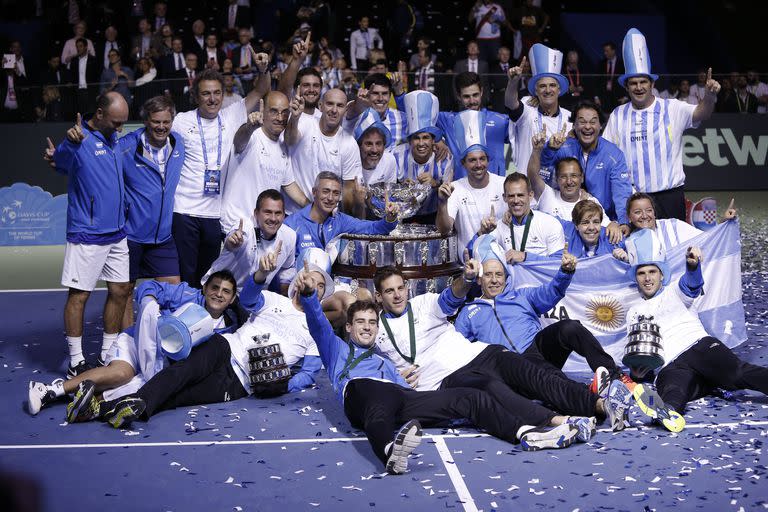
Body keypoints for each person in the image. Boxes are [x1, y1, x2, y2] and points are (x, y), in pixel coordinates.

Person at [295, 267, 591, 470]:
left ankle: (528, 432)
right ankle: (389, 451)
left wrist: (406, 379)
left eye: (372, 323)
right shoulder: (336, 350)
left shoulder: (386, 356)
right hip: (366, 394)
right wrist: (309, 296)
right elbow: (319, 324)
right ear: (348, 327)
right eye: (361, 323)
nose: (368, 328)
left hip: (405, 397)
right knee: (378, 403)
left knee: (473, 397)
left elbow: (449, 300)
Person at [372, 265, 633, 432]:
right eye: (389, 291)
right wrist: (394, 377)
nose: (397, 295)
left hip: (482, 354)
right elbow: (366, 368)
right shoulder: (375, 330)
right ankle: (558, 422)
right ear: (378, 296)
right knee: (493, 389)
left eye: (400, 288)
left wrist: (466, 278)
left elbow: (452, 295)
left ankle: (601, 405)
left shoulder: (424, 303)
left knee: (536, 375)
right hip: (447, 377)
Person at [96, 247, 328, 428]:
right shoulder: (276, 300)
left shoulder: (317, 330)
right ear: (299, 281)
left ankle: (105, 408)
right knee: (179, 374)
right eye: (312, 281)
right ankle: (132, 403)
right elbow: (248, 299)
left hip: (241, 382)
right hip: (224, 348)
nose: (315, 287)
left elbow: (308, 373)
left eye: (321, 286)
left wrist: (283, 384)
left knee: (182, 397)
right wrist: (261, 274)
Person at [27, 271, 245, 422]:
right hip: (138, 341)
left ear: (232, 297)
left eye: (226, 291)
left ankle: (88, 403)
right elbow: (148, 286)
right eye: (214, 287)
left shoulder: (228, 328)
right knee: (121, 374)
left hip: (161, 362)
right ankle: (50, 390)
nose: (219, 293)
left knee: (141, 385)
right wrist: (150, 301)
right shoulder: (186, 294)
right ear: (205, 288)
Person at [623, 229, 766, 430]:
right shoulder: (633, 312)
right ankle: (667, 413)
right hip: (669, 364)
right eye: (641, 273)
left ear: (661, 274)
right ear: (636, 278)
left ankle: (711, 381)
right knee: (674, 391)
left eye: (652, 271)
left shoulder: (674, 290)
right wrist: (638, 370)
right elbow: (641, 353)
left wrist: (692, 266)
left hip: (699, 347)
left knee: (737, 374)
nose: (647, 278)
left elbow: (691, 284)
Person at [171, 54, 271, 287]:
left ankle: (203, 322)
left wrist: (263, 69)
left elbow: (261, 89)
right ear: (196, 96)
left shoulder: (233, 114)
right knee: (185, 276)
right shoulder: (181, 121)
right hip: (184, 211)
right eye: (206, 93)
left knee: (207, 275)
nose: (212, 98)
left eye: (217, 93)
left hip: (214, 214)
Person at [50, 93, 132, 376]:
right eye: (116, 122)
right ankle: (76, 361)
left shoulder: (114, 138)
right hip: (87, 234)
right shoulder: (79, 138)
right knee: (79, 296)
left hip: (118, 233)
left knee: (121, 291)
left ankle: (107, 354)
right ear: (99, 114)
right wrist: (68, 145)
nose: (120, 128)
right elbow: (60, 162)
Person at [602, 28, 721, 221]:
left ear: (651, 84)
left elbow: (702, 113)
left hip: (670, 196)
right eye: (633, 83)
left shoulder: (671, 107)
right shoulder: (618, 115)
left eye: (643, 82)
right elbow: (606, 153)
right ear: (626, 86)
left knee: (673, 247)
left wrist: (709, 96)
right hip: (634, 198)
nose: (639, 87)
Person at [221, 91, 308, 232]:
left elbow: (289, 184)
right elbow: (239, 141)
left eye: (285, 112)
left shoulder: (282, 146)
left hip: (261, 230)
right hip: (234, 227)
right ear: (263, 110)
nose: (280, 118)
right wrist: (249, 126)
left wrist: (314, 207)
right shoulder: (252, 136)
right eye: (274, 111)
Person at [539, 101, 633, 226]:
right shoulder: (563, 148)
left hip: (605, 221)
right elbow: (543, 174)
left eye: (593, 122)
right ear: (574, 125)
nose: (587, 126)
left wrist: (623, 222)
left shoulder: (614, 154)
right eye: (582, 122)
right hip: (567, 218)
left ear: (600, 126)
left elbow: (621, 192)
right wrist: (549, 149)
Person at [436, 110, 505, 260]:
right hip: (468, 263)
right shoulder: (454, 188)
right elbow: (443, 229)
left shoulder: (503, 184)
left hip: (502, 263)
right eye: (472, 160)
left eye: (482, 159)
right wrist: (442, 203)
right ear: (463, 163)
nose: (478, 164)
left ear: (488, 160)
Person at [284, 172, 399, 260]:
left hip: (328, 284)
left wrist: (390, 217)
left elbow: (374, 228)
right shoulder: (291, 225)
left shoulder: (340, 220)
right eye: (325, 191)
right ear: (314, 192)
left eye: (335, 193)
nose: (330, 198)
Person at [284, 88, 363, 213]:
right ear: (320, 106)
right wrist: (293, 118)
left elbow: (349, 190)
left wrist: (342, 220)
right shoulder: (303, 122)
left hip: (327, 216)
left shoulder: (349, 144)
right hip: (293, 212)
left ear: (345, 110)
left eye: (340, 105)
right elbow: (289, 140)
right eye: (330, 104)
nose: (334, 110)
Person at [204, 189, 296, 292]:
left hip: (254, 296)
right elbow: (231, 241)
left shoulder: (290, 236)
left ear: (284, 215)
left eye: (278, 213)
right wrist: (232, 242)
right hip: (219, 290)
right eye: (268, 212)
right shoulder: (245, 228)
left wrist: (284, 292)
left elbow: (287, 268)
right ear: (256, 213)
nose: (273, 218)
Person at [527, 128, 615, 232]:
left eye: (573, 176)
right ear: (557, 179)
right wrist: (537, 150)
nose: (569, 181)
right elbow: (533, 176)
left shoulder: (591, 202)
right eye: (563, 177)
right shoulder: (547, 195)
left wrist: (614, 225)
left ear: (581, 178)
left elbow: (608, 226)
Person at [505, 44, 573, 177]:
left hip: (557, 189)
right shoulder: (528, 109)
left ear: (559, 90)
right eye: (542, 86)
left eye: (552, 85)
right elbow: (510, 103)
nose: (548, 90)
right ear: (536, 91)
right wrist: (513, 82)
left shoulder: (569, 118)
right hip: (526, 187)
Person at [429, 72, 509, 179]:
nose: (472, 101)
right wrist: (436, 137)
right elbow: (418, 116)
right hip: (460, 189)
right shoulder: (448, 120)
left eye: (475, 95)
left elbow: (523, 127)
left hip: (495, 190)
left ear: (481, 92)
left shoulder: (500, 120)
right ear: (458, 96)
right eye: (466, 96)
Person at [392, 91, 453, 224]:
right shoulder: (396, 156)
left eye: (425, 137)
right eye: (416, 138)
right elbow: (387, 191)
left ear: (433, 141)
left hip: (434, 216)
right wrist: (400, 188)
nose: (421, 143)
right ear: (409, 141)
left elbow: (449, 195)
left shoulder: (445, 159)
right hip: (401, 215)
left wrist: (435, 185)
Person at [475, 173, 564, 264]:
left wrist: (525, 256)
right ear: (504, 198)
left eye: (520, 195)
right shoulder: (498, 226)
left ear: (530, 195)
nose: (516, 200)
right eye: (511, 196)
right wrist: (481, 233)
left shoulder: (549, 224)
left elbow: (559, 262)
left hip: (541, 278)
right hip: (513, 278)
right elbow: (472, 255)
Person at [346, 73, 408, 150]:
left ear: (389, 96)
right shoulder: (356, 117)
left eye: (384, 93)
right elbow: (349, 112)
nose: (380, 98)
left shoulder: (401, 118)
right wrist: (358, 104)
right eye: (375, 93)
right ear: (367, 94)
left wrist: (399, 93)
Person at [355, 108, 397, 188]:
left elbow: (389, 196)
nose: (374, 150)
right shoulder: (350, 164)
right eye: (369, 144)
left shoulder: (390, 161)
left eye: (378, 144)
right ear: (359, 146)